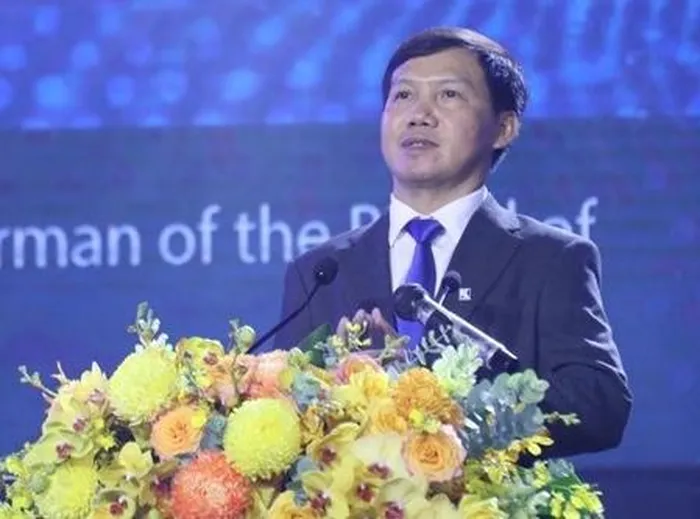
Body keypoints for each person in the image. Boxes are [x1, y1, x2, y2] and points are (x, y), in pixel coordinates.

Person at [268, 26, 632, 458]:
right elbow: (282, 418)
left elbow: (599, 405)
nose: (419, 115)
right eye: (403, 95)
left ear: (504, 127)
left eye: (448, 95)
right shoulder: (320, 271)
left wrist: (430, 390)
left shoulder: (551, 260)